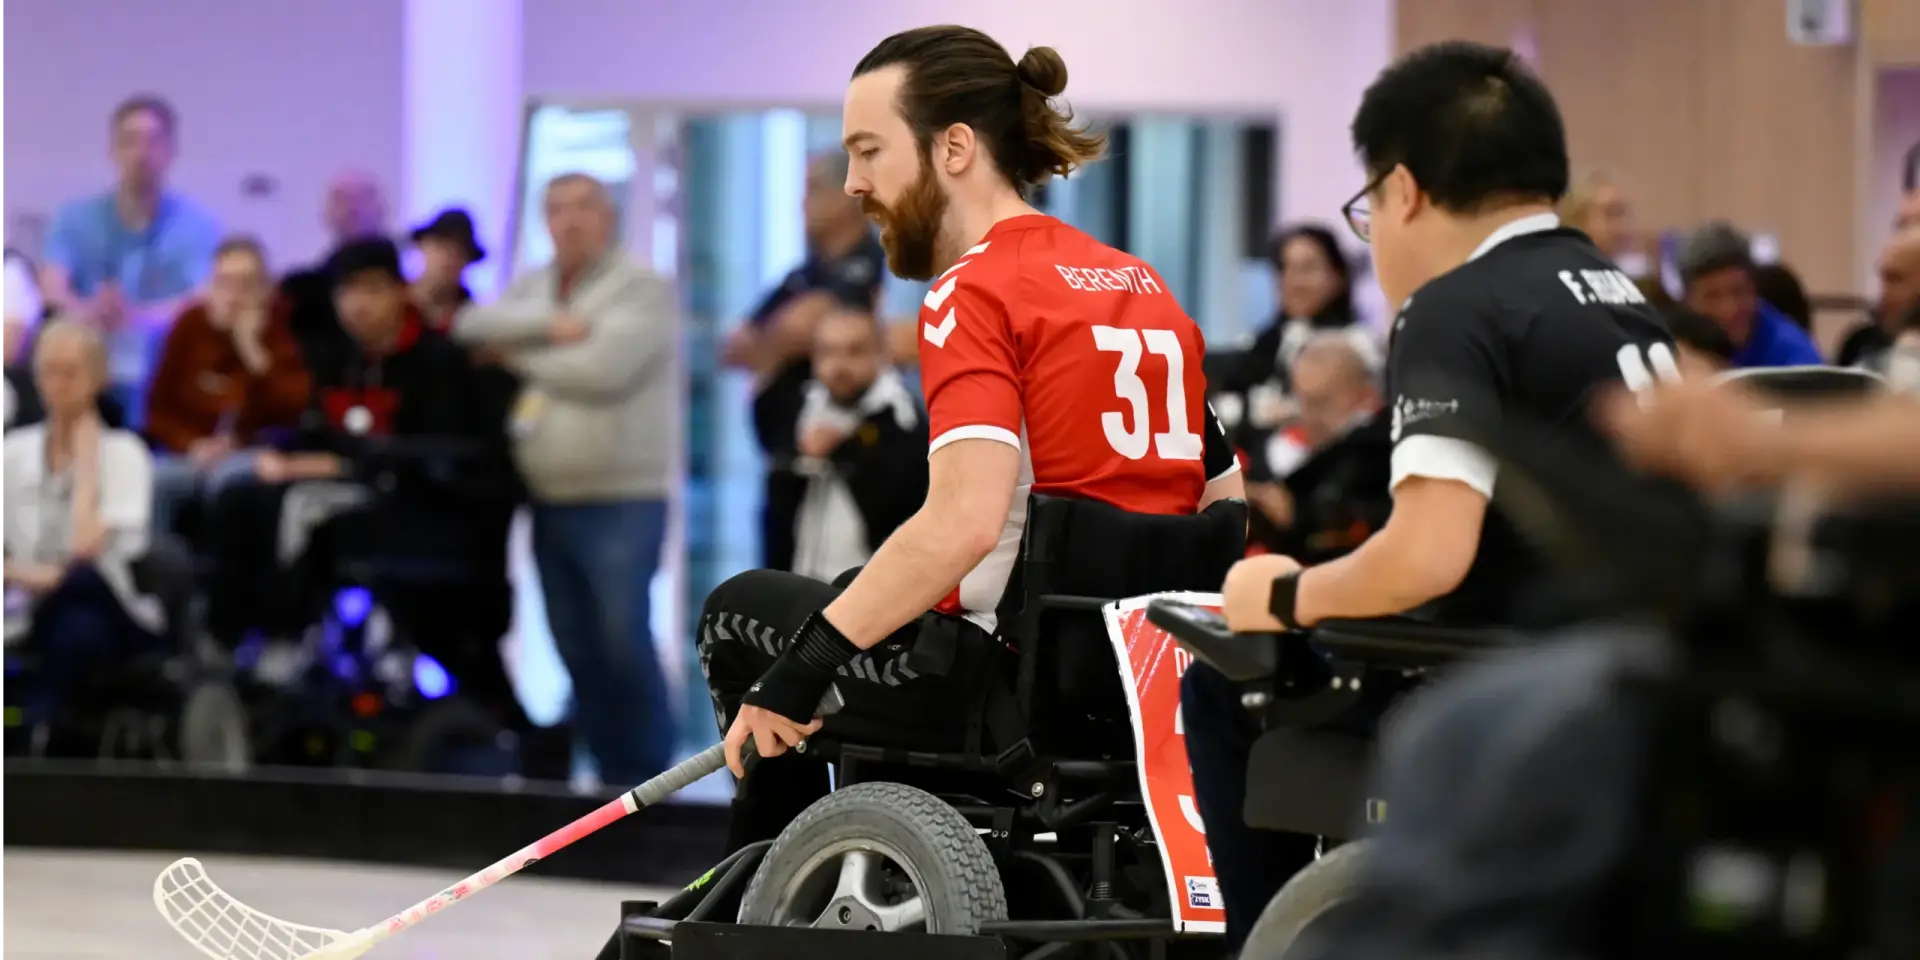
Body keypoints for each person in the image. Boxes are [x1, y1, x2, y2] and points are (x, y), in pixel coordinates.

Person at [695, 25, 1242, 853]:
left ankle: (764, 891)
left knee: (742, 616)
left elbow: (963, 523)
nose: (852, 184)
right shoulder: (1141, 285)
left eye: (869, 151)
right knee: (854, 588)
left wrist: (800, 670)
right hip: (1141, 675)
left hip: (1003, 684)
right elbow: (1222, 505)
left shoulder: (972, 292)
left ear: (953, 147)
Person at [1195, 41, 1679, 949]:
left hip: (1510, 676)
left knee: (1222, 676)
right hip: (1641, 665)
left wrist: (1285, 592)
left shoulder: (1455, 305)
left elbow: (1427, 556)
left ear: (1404, 190)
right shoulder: (1620, 292)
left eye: (1368, 205)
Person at [452, 173, 678, 785]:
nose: (570, 221)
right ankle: (606, 775)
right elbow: (470, 325)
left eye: (583, 207)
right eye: (556, 209)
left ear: (609, 215)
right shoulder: (536, 287)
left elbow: (603, 368)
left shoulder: (642, 288)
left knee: (620, 639)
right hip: (550, 497)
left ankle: (648, 774)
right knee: (573, 643)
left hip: (622, 496)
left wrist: (518, 350)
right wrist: (551, 329)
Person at [726, 151, 888, 570]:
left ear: (847, 194)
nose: (801, 202)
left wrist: (773, 346)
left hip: (842, 467)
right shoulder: (805, 273)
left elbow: (802, 329)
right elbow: (733, 347)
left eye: (813, 188)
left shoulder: (867, 262)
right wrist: (777, 342)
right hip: (786, 462)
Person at [0, 320, 161, 736]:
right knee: (72, 623)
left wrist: (88, 468)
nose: (58, 384)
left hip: (111, 609)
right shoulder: (11, 453)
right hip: (26, 605)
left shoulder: (125, 454)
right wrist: (32, 576)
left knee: (82, 593)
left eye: (71, 373)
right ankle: (44, 725)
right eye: (49, 371)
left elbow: (86, 548)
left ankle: (40, 726)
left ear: (98, 379)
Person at [40, 95, 223, 422]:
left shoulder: (198, 225)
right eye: (130, 142)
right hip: (89, 360)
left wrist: (136, 318)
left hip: (163, 368)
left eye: (153, 142)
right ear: (112, 150)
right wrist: (86, 310)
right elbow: (52, 285)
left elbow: (203, 299)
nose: (141, 154)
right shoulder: (73, 218)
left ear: (170, 151)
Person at [144, 237, 311, 537]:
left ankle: (223, 581)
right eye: (224, 283)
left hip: (253, 454)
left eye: (246, 285)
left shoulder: (284, 329)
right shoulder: (191, 324)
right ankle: (156, 573)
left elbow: (293, 411)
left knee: (228, 482)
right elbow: (157, 410)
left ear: (266, 289)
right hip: (193, 453)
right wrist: (191, 445)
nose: (233, 297)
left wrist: (252, 350)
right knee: (156, 479)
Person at [782, 306, 929, 582]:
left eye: (854, 351)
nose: (839, 366)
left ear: (880, 354)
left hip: (875, 586)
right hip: (804, 580)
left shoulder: (902, 417)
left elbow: (899, 502)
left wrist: (844, 449)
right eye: (828, 352)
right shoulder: (802, 407)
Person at [1215, 224, 1376, 442]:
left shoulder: (1360, 346)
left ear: (1338, 276)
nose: (1293, 282)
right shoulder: (1261, 342)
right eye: (1284, 268)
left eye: (1307, 269)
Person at [1243, 333, 1387, 560]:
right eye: (1304, 401)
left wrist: (1295, 517)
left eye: (1323, 402)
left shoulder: (1377, 455)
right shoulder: (1276, 449)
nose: (1310, 416)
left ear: (1366, 396)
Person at [1675, 221, 1823, 368]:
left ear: (1754, 290)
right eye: (1712, 296)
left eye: (1739, 291)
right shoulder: (1671, 349)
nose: (1729, 309)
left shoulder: (1795, 357)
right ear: (1687, 302)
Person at [409, 208, 484, 332]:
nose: (449, 258)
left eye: (460, 252)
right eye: (442, 246)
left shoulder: (475, 321)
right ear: (422, 245)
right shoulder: (392, 302)